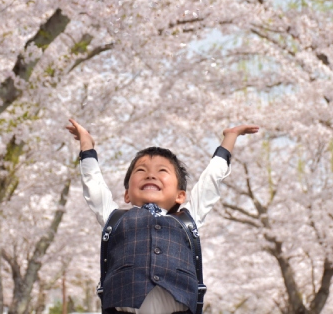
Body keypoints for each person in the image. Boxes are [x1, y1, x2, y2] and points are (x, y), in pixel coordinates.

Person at [66, 119, 259, 314]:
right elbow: (93, 183)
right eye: (141, 170)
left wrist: (230, 137)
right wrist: (87, 146)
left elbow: (211, 181)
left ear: (180, 195)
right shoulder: (115, 219)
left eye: (162, 171)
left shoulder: (186, 220)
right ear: (127, 194)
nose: (150, 175)